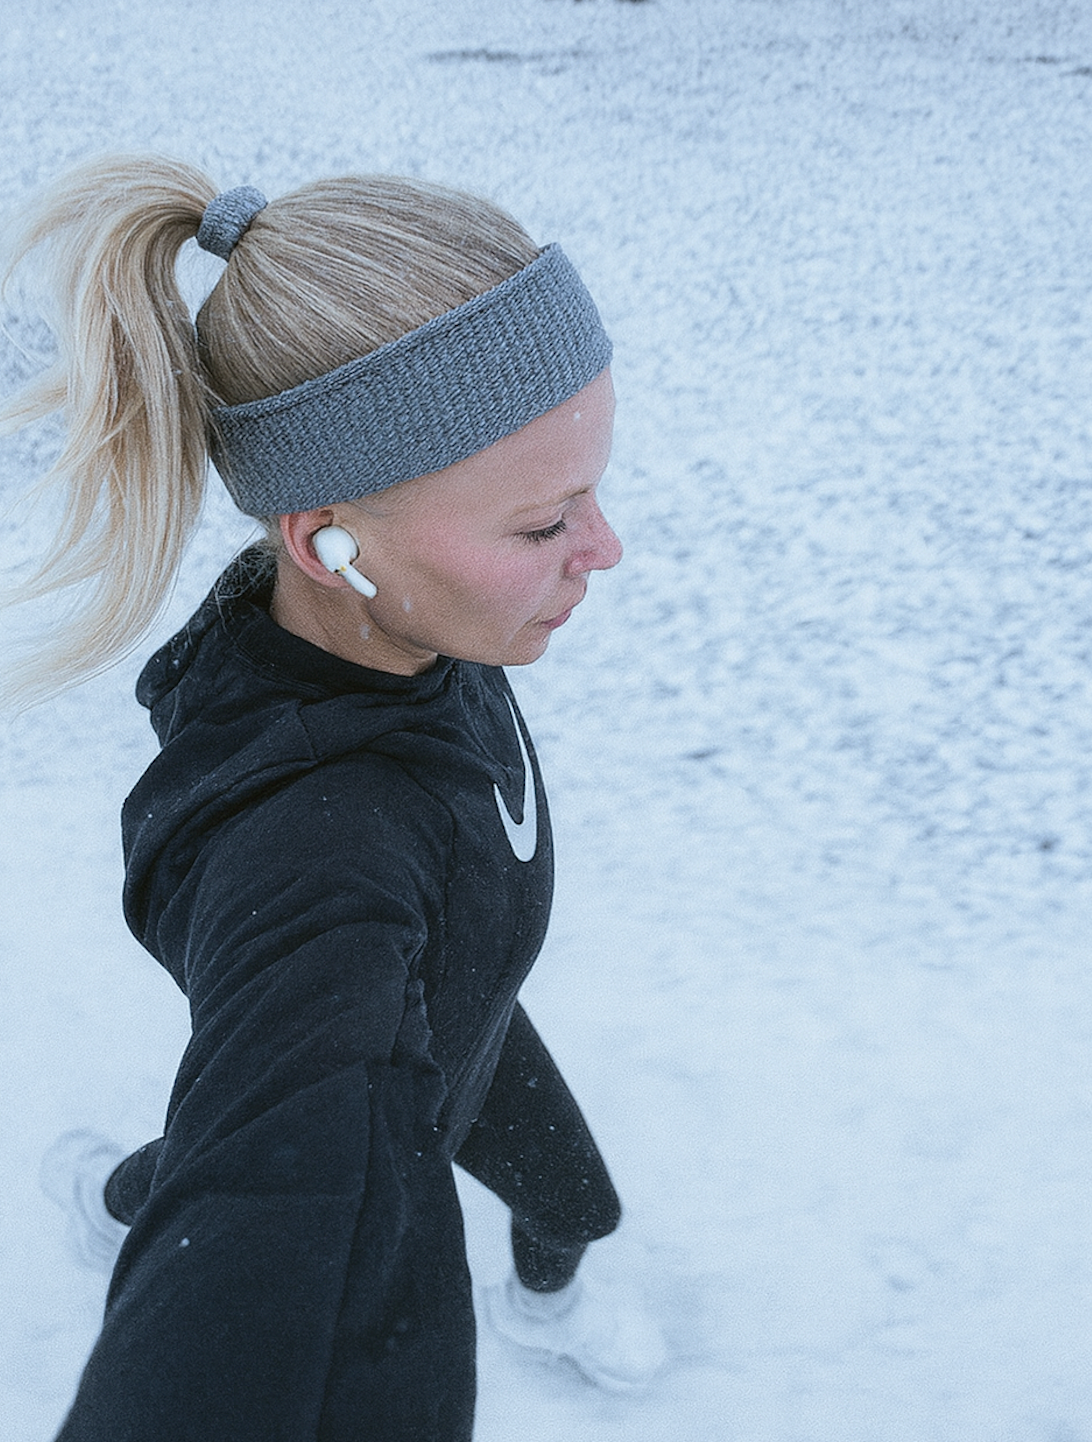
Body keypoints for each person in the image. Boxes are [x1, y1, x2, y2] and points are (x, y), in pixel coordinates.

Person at [2, 155, 663, 1441]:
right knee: (230, 1159)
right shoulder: (317, 859)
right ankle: (137, 1201)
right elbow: (272, 1221)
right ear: (330, 545)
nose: (605, 549)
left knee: (573, 1202)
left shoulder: (401, 625)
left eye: (592, 494)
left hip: (472, 1008)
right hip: (396, 1051)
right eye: (545, 525)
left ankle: (120, 1196)